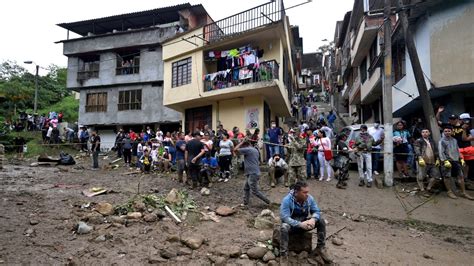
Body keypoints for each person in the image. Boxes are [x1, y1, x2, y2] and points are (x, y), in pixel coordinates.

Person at [279, 181, 331, 264]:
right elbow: (285, 218)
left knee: (321, 220)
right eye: (304, 192)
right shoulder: (287, 200)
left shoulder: (309, 198)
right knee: (284, 227)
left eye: (308, 192)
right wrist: (299, 224)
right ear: (296, 192)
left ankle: (320, 248)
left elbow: (317, 211)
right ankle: (283, 254)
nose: (307, 194)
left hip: (304, 222)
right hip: (292, 226)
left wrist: (313, 219)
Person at [439, 126, 473, 200]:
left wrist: (461, 159)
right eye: (445, 131)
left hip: (456, 160)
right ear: (443, 132)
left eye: (449, 131)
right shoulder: (441, 141)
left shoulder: (454, 140)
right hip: (447, 161)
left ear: (451, 132)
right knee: (447, 177)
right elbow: (441, 152)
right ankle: (449, 191)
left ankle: (463, 192)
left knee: (460, 176)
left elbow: (457, 150)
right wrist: (445, 161)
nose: (447, 132)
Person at [234, 138, 271, 207]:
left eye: (242, 146)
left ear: (245, 145)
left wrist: (241, 142)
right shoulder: (255, 150)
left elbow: (235, 150)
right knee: (246, 188)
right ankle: (245, 203)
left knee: (255, 191)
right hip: (252, 172)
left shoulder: (247, 149)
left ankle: (268, 202)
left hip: (252, 173)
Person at [413, 129, 441, 194]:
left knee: (436, 176)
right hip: (422, 161)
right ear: (421, 133)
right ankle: (422, 190)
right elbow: (417, 150)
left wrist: (437, 159)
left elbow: (435, 150)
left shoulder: (431, 141)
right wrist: (420, 158)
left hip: (432, 161)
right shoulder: (418, 141)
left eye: (426, 132)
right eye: (423, 132)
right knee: (420, 176)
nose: (425, 133)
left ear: (429, 133)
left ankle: (429, 188)